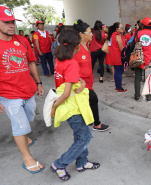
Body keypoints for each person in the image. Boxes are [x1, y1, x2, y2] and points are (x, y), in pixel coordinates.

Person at [50, 29, 100, 181]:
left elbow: (70, 81)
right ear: (77, 47)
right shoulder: (71, 63)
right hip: (72, 106)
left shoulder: (59, 59)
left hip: (70, 105)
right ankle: (59, 164)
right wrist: (54, 107)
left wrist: (82, 82)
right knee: (84, 137)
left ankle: (82, 163)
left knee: (80, 135)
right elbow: (66, 93)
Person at [0, 6, 44, 173]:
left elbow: (31, 62)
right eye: (6, 22)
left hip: (28, 90)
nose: (11, 25)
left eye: (13, 22)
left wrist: (38, 83)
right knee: (20, 125)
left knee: (29, 116)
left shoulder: (22, 40)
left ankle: (23, 134)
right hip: (8, 94)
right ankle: (28, 159)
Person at [73, 19, 110, 131]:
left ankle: (87, 120)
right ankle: (97, 124)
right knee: (93, 98)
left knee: (87, 101)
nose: (91, 34)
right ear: (81, 34)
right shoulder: (76, 49)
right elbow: (71, 67)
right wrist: (77, 82)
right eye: (89, 32)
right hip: (82, 83)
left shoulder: (87, 46)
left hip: (88, 81)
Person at [134, 17, 151, 101]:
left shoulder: (137, 33)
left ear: (143, 25)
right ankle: (148, 96)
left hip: (138, 57)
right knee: (148, 79)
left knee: (137, 77)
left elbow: (134, 44)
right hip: (150, 60)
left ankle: (137, 95)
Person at [108, 22, 127, 92]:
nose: (122, 29)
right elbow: (121, 48)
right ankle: (119, 88)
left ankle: (117, 86)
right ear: (116, 29)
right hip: (118, 57)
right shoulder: (117, 36)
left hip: (113, 56)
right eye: (121, 28)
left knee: (116, 72)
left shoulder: (111, 36)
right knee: (119, 72)